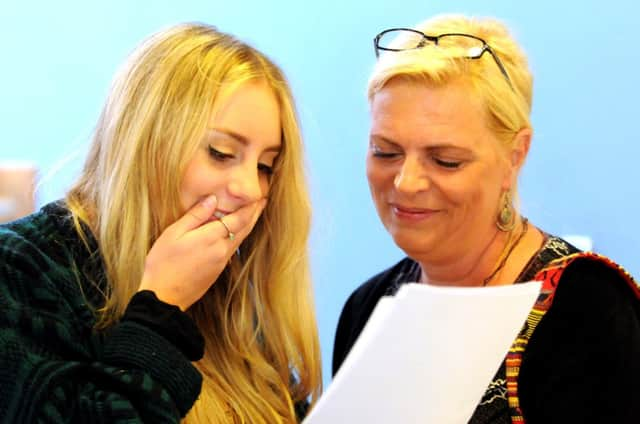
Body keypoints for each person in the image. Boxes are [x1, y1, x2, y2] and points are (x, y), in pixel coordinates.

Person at [0, 23, 321, 423]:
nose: (249, 188)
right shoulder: (20, 271)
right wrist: (162, 309)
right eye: (221, 153)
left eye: (265, 166)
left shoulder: (228, 296)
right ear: (145, 141)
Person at [332, 14, 640, 423]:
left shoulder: (586, 309)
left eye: (446, 161)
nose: (405, 183)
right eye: (385, 152)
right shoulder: (368, 307)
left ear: (515, 155)